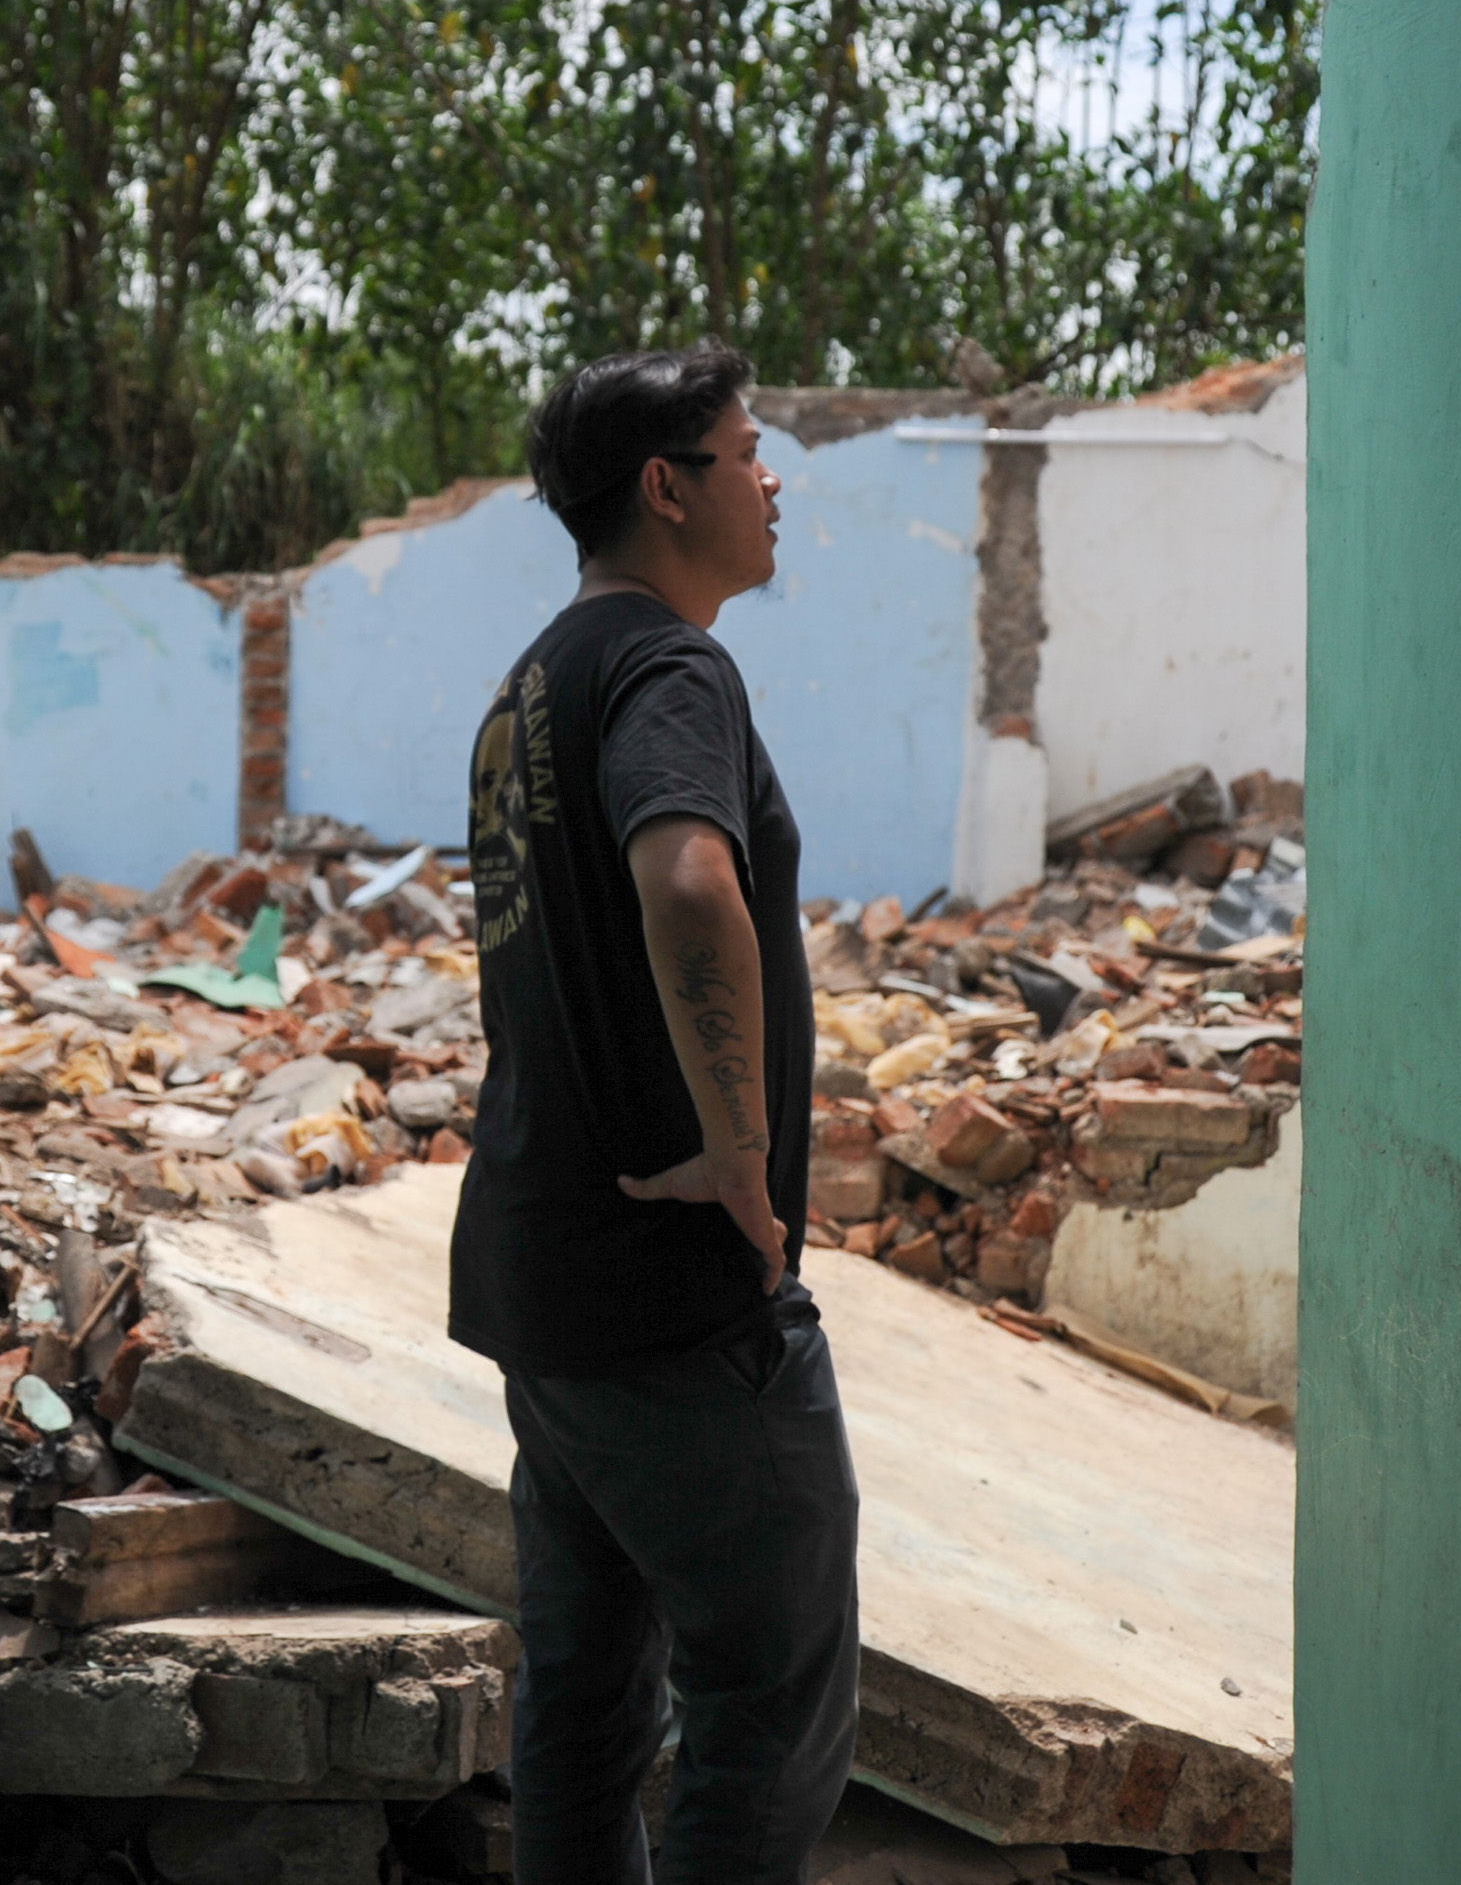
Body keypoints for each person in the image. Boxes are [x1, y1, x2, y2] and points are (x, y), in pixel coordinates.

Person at [450, 343, 860, 1885]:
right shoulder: (672, 667)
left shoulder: (524, 694)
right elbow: (689, 876)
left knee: (582, 1704)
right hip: (673, 1307)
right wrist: (744, 1160)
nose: (771, 483)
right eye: (748, 450)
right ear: (665, 485)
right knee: (772, 1703)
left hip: (542, 1282)